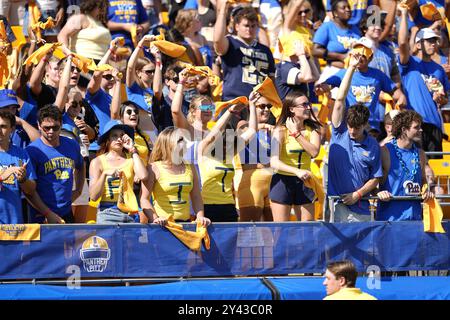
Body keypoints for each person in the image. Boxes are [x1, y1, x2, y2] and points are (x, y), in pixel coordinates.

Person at [327, 53, 383, 222]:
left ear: (365, 124)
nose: (351, 131)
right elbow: (340, 100)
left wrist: (357, 194)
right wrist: (351, 68)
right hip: (335, 204)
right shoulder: (339, 132)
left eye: (356, 128)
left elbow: (375, 178)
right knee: (336, 249)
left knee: (363, 249)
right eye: (350, 126)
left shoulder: (373, 145)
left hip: (361, 206)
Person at [322, 37, 405, 135]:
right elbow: (326, 86)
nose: (359, 57)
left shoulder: (378, 75)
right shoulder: (345, 73)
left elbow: (397, 94)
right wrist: (321, 88)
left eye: (363, 55)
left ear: (370, 57)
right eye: (357, 54)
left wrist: (401, 99)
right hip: (351, 124)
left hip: (371, 126)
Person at [398, 4, 450, 158]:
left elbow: (445, 98)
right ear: (419, 44)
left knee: (434, 173)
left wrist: (441, 99)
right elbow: (402, 43)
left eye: (434, 40)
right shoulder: (409, 63)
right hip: (413, 125)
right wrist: (404, 14)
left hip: (434, 125)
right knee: (416, 169)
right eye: (428, 41)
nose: (433, 44)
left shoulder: (439, 69)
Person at [197, 95, 257, 222]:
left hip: (228, 205)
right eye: (222, 143)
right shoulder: (204, 151)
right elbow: (212, 135)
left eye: (228, 143)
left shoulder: (231, 153)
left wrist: (252, 105)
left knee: (230, 242)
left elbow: (252, 131)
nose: (225, 147)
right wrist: (230, 111)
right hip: (207, 205)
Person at [140, 127, 211, 226]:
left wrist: (200, 216)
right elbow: (144, 199)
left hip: (186, 224)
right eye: (181, 140)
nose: (186, 143)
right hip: (163, 226)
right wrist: (155, 218)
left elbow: (196, 196)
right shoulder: (153, 168)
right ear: (169, 145)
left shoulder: (190, 166)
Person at [26, 105, 85, 223]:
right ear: (38, 125)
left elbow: (81, 165)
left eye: (55, 127)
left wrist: (78, 190)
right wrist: (47, 213)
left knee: (69, 242)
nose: (51, 132)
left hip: (66, 211)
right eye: (46, 128)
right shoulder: (32, 151)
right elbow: (29, 191)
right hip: (41, 214)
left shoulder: (72, 144)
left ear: (61, 124)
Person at [270, 90, 321, 222]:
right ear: (292, 109)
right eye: (304, 105)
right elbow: (274, 162)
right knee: (280, 232)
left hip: (305, 183)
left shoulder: (314, 129)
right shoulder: (280, 130)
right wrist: (296, 171)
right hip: (282, 181)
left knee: (307, 231)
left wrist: (296, 134)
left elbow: (314, 152)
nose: (308, 107)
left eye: (308, 104)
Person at [377, 110, 434, 221]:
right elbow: (373, 180)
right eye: (416, 127)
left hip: (415, 219)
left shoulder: (420, 153)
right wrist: (379, 192)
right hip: (390, 220)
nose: (421, 130)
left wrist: (426, 191)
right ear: (404, 130)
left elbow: (423, 180)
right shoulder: (385, 151)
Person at [213, 0, 275, 101]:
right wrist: (222, 11)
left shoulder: (265, 50)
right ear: (237, 26)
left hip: (259, 103)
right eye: (246, 25)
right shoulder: (230, 43)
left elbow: (272, 79)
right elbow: (217, 40)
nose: (249, 29)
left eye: (253, 26)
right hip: (234, 101)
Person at [89, 120, 148, 224]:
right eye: (114, 136)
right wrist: (104, 174)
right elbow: (93, 196)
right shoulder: (97, 162)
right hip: (107, 212)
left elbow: (143, 176)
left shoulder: (132, 159)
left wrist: (132, 149)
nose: (119, 139)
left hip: (130, 211)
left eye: (122, 136)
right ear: (107, 140)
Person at [234, 93, 274, 222]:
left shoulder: (273, 130)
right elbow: (244, 129)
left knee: (274, 230)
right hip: (251, 183)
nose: (266, 109)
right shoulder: (243, 124)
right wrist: (263, 126)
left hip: (272, 182)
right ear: (252, 108)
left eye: (269, 106)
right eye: (262, 106)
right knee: (248, 230)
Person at [0, 110, 37, 224]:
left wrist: (23, 180)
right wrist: (2, 176)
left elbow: (31, 190)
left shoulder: (21, 154)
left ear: (12, 129)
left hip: (14, 224)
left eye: (3, 126)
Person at [126, 35, 163, 138]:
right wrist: (140, 44)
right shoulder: (133, 89)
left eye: (153, 71)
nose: (152, 74)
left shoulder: (155, 92)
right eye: (148, 72)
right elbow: (130, 67)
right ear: (138, 73)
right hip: (139, 135)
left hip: (155, 134)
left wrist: (158, 59)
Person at [313, 0, 360, 71]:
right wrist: (340, 56)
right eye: (343, 8)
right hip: (334, 70)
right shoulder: (327, 27)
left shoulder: (355, 29)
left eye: (348, 7)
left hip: (356, 71)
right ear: (335, 13)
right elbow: (315, 51)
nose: (347, 10)